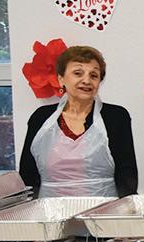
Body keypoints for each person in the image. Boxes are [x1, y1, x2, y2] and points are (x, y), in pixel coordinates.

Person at [19, 46, 137, 197]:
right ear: (61, 79)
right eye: (78, 73)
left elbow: (127, 175)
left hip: (104, 209)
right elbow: (28, 175)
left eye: (94, 75)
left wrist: (124, 209)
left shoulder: (116, 117)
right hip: (50, 209)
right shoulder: (41, 118)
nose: (86, 80)